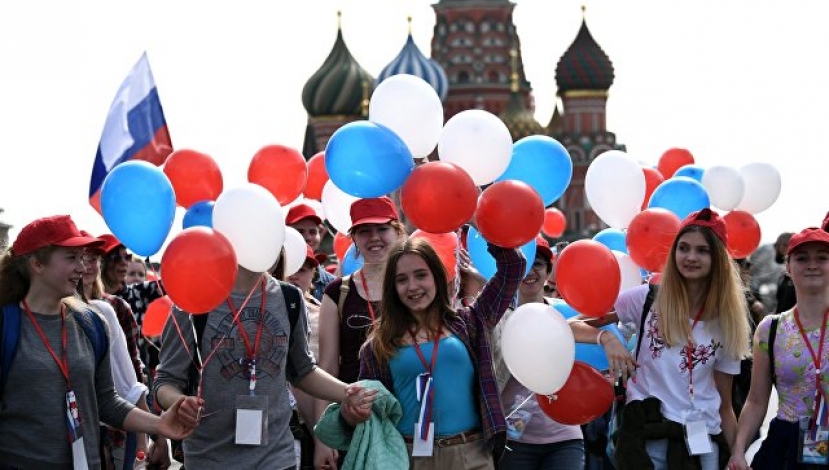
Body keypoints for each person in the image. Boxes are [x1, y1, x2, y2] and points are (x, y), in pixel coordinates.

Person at [0, 215, 192, 468]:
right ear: (37, 263)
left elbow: (106, 400)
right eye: (71, 258)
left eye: (82, 258)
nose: (82, 267)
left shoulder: (91, 322)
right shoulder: (7, 324)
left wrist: (159, 425)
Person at [153, 260, 376, 469]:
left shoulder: (289, 298)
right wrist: (179, 402)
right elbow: (166, 381)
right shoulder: (192, 302)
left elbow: (303, 371)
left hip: (277, 457)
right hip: (210, 458)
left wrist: (347, 393)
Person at [359, 237, 526, 469]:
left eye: (421, 275)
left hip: (471, 454)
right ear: (392, 288)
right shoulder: (378, 345)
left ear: (437, 277)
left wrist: (481, 223)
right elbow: (370, 413)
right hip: (408, 457)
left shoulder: (471, 322)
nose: (413, 286)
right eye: (401, 279)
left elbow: (513, 267)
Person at [613, 208, 750, 470]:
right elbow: (578, 323)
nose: (690, 257)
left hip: (702, 445)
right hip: (650, 438)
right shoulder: (647, 299)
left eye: (702, 250)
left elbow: (725, 404)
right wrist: (607, 340)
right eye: (684, 248)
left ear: (718, 259)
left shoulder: (728, 322)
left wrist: (738, 454)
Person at [492, 236, 632, 470]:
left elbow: (575, 325)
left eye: (537, 263)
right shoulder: (496, 317)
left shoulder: (562, 311)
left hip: (565, 438)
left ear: (548, 272)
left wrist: (606, 339)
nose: (530, 270)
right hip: (515, 440)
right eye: (523, 263)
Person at [315, 196, 407, 468]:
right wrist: (323, 439)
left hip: (408, 416)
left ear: (397, 232)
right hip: (356, 419)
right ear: (353, 237)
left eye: (382, 229)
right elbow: (327, 367)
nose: (374, 238)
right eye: (364, 231)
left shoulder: (416, 288)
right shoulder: (337, 293)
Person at [729, 227, 829, 469]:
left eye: (822, 258)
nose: (812, 265)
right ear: (788, 267)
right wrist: (739, 451)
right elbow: (756, 401)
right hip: (785, 445)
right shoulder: (770, 329)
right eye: (802, 258)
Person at [79, 238, 149, 470]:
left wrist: (147, 434)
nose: (88, 265)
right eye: (81, 257)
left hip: (118, 427)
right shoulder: (55, 310)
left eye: (94, 259)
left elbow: (132, 374)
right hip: (76, 429)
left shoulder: (112, 308)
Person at [286, 203, 336, 301]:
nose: (308, 237)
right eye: (300, 231)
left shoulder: (334, 285)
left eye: (313, 232)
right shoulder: (269, 280)